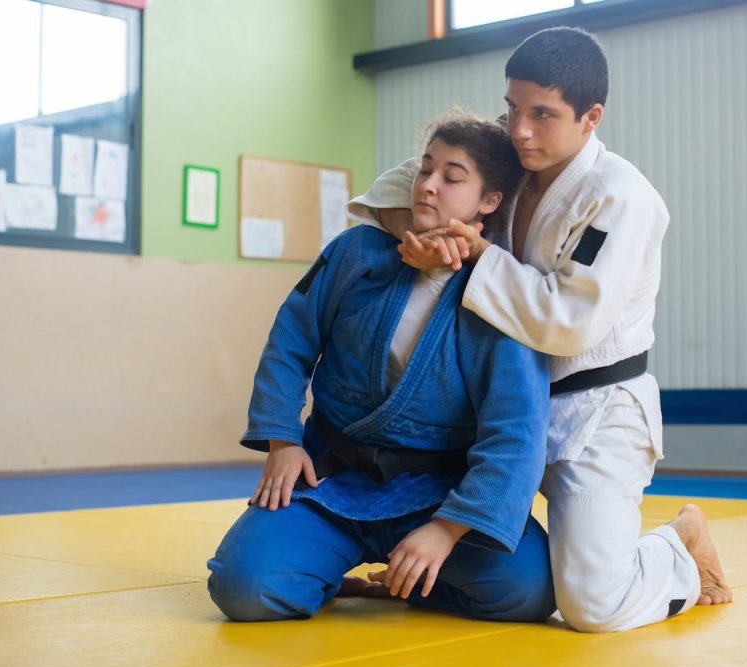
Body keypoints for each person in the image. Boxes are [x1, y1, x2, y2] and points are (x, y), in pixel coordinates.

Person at [347, 27, 733, 633]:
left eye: (542, 114)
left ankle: (678, 549)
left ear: (591, 116)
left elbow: (568, 321)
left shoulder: (620, 199)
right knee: (438, 521)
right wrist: (423, 236)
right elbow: (399, 187)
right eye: (512, 108)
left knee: (592, 606)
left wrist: (473, 253)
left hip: (594, 409)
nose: (520, 129)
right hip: (492, 409)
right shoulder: (507, 157)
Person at [205, 110, 555, 624]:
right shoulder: (358, 252)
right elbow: (291, 341)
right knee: (243, 587)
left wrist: (448, 529)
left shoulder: (500, 290)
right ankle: (330, 570)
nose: (430, 186)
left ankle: (408, 582)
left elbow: (517, 429)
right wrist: (282, 440)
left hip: (440, 494)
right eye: (425, 170)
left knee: (529, 591)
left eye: (452, 178)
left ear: (489, 201)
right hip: (334, 476)